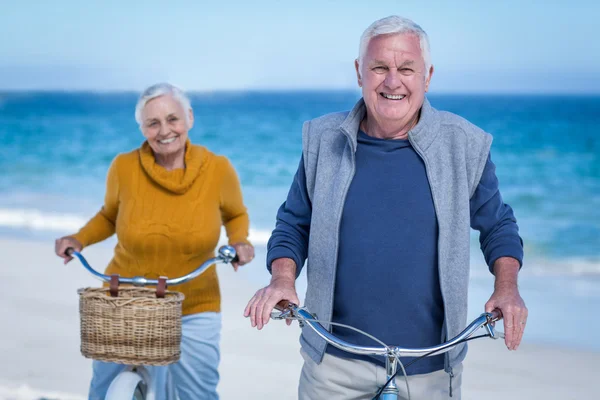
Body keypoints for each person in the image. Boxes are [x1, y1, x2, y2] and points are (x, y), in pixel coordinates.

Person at [245, 15, 527, 400]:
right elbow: (294, 224)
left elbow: (499, 227)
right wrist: (282, 278)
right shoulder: (322, 139)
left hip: (431, 366)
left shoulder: (463, 144)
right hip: (334, 364)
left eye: (406, 69)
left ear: (427, 76)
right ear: (360, 72)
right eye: (380, 68)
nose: (393, 81)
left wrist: (506, 288)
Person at [54, 82, 254, 400]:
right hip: (123, 298)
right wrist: (78, 239)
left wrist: (239, 242)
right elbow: (109, 216)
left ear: (189, 117)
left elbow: (235, 214)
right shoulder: (123, 166)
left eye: (172, 119)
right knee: (102, 390)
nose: (164, 130)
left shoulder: (217, 169)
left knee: (197, 393)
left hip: (194, 302)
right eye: (153, 123)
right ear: (143, 128)